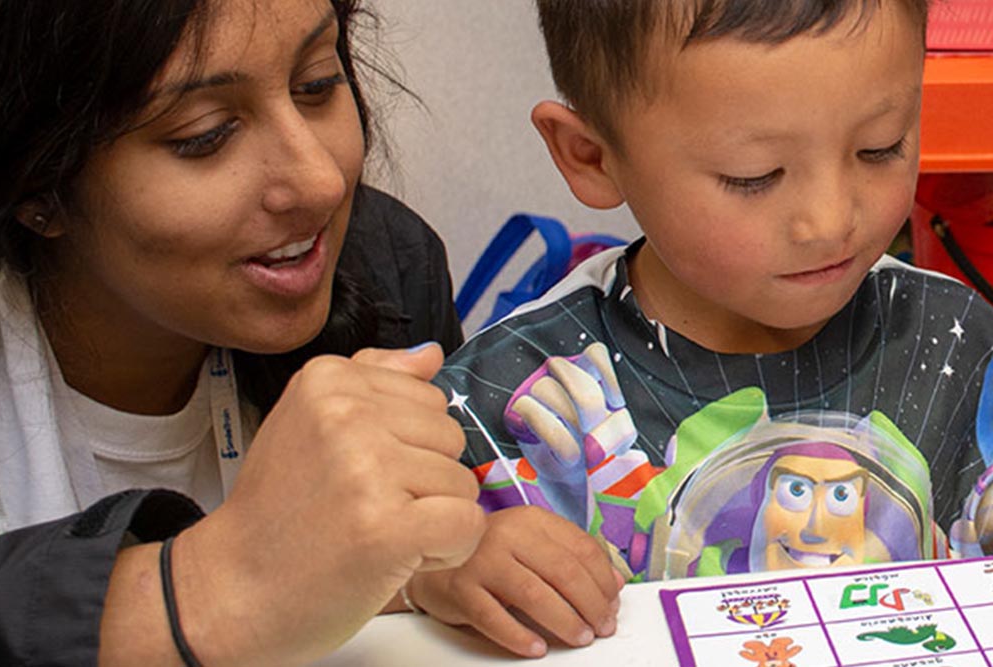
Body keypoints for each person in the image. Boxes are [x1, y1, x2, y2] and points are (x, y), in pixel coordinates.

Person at [405, 0, 993, 658]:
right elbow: (351, 577)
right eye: (755, 176)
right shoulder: (526, 393)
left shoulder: (960, 339)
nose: (830, 220)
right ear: (592, 155)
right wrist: (435, 571)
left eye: (880, 145)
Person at [0, 0, 484, 664]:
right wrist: (202, 590)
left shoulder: (389, 271)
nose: (320, 181)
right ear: (37, 190)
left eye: (316, 84)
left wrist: (435, 569)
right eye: (205, 134)